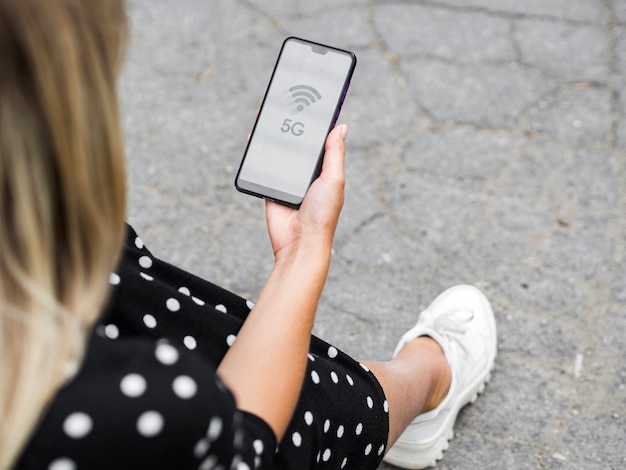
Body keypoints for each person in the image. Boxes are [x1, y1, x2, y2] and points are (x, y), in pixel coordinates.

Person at [0, 1, 497, 469]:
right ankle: (426, 384)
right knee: (302, 407)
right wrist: (304, 252)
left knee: (115, 280)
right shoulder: (141, 405)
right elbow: (248, 443)